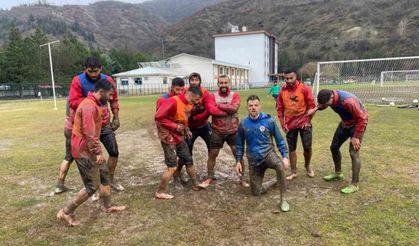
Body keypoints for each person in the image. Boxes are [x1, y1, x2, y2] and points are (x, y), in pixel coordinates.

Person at [57, 79, 126, 227]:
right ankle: (66, 212)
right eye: (109, 94)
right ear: (101, 92)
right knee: (92, 186)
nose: (111, 98)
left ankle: (107, 206)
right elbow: (89, 134)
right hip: (83, 151)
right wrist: (97, 152)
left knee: (105, 175)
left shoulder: (94, 104)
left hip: (89, 149)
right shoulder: (89, 106)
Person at [68, 57, 124, 192]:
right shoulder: (78, 81)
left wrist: (116, 117)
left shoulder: (108, 80)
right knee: (92, 157)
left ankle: (110, 180)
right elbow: (73, 102)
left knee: (114, 152)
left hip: (104, 124)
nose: (93, 74)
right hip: (87, 125)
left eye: (96, 71)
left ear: (101, 69)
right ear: (84, 69)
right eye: (90, 71)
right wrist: (92, 99)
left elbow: (114, 99)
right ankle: (94, 185)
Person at [307, 89, 368, 194]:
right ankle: (338, 174)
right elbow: (323, 105)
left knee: (353, 153)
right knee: (334, 147)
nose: (325, 106)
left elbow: (363, 118)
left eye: (326, 104)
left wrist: (356, 137)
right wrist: (316, 109)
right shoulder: (329, 97)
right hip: (345, 123)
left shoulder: (348, 101)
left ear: (331, 98)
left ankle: (354, 184)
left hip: (357, 125)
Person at [236, 95, 290, 211]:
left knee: (280, 166)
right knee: (256, 192)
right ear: (247, 108)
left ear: (260, 106)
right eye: (250, 106)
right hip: (254, 160)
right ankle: (276, 180)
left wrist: (285, 156)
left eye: (256, 105)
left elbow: (280, 140)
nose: (253, 108)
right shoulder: (243, 124)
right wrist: (238, 161)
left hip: (268, 155)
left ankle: (283, 199)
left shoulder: (269, 121)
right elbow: (239, 145)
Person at [154, 84, 203, 199]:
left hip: (179, 136)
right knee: (172, 166)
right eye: (195, 100)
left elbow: (183, 118)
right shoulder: (173, 101)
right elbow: (158, 117)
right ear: (190, 95)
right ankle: (160, 191)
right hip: (168, 136)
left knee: (188, 159)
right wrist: (174, 126)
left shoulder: (189, 104)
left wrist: (186, 129)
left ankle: (195, 184)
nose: (196, 103)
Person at [199, 75, 248, 188]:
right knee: (213, 155)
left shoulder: (235, 95)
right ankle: (210, 177)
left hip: (233, 131)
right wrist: (227, 109)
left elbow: (234, 108)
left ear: (229, 84)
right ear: (218, 84)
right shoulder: (212, 96)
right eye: (221, 83)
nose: (224, 85)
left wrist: (220, 105)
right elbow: (212, 110)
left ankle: (242, 179)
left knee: (238, 155)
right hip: (217, 131)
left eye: (226, 83)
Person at [173, 73, 212, 185]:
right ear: (189, 82)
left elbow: (208, 109)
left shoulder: (205, 92)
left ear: (200, 81)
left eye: (196, 80)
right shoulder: (185, 92)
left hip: (204, 125)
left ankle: (210, 173)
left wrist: (197, 116)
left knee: (212, 148)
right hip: (190, 127)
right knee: (186, 153)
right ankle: (178, 173)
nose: (194, 82)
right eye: (192, 80)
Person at [277, 69, 315, 181]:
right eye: (286, 78)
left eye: (291, 78)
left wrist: (308, 121)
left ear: (296, 77)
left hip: (304, 123)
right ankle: (293, 171)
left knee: (307, 147)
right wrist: (282, 123)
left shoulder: (304, 88)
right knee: (292, 148)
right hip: (290, 124)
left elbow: (312, 106)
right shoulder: (282, 92)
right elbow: (280, 109)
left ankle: (307, 166)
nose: (289, 80)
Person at [54, 100, 75, 194]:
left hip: (68, 127)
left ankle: (60, 185)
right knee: (87, 157)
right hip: (76, 129)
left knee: (68, 157)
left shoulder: (71, 96)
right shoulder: (81, 94)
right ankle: (92, 186)